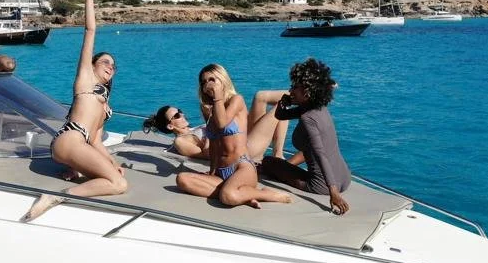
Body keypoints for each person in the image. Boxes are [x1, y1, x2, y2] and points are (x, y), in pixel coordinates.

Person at [22, 0, 126, 221]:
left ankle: (73, 171)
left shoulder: (104, 103)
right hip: (70, 140)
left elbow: (97, 141)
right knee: (118, 185)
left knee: (113, 176)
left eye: (113, 65)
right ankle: (55, 196)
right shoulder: (85, 79)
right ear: (92, 65)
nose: (110, 66)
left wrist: (113, 163)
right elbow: (90, 30)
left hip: (80, 145)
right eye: (105, 62)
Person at [175, 64, 292, 209]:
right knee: (182, 179)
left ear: (223, 79)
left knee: (227, 196)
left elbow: (222, 123)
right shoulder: (207, 109)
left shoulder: (236, 100)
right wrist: (212, 170)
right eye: (204, 82)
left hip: (241, 167)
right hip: (220, 171)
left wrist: (218, 97)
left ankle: (263, 193)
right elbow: (214, 143)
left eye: (212, 80)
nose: (208, 84)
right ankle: (244, 195)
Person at [258, 58, 352, 215]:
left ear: (307, 92)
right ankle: (287, 166)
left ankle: (286, 168)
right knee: (286, 162)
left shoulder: (307, 118)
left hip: (322, 185)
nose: (291, 90)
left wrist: (333, 192)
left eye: (295, 87)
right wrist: (283, 102)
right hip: (345, 178)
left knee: (268, 161)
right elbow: (281, 115)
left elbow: (320, 155)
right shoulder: (317, 107)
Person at [144, 90, 289, 161]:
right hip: (240, 150)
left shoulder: (193, 129)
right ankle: (277, 155)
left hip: (241, 136)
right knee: (281, 106)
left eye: (180, 111)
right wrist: (211, 127)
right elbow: (207, 155)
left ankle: (278, 154)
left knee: (261, 96)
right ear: (170, 126)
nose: (182, 115)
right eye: (176, 116)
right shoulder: (180, 141)